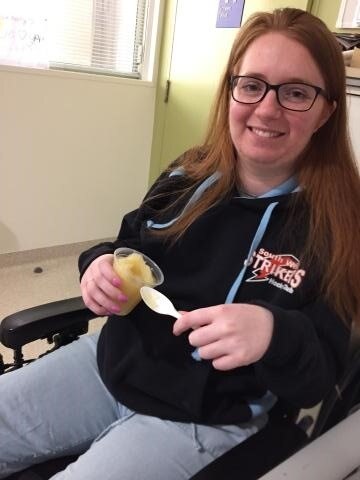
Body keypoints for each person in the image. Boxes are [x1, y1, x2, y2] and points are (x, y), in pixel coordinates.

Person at [1, 7, 359, 480]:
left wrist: (274, 334)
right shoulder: (188, 174)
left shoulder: (338, 224)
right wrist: (98, 265)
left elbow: (321, 374)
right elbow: (127, 245)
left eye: (296, 93)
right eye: (251, 85)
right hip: (112, 365)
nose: (267, 109)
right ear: (230, 92)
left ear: (326, 111)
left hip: (207, 415)